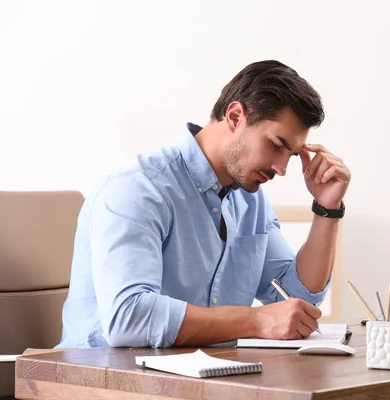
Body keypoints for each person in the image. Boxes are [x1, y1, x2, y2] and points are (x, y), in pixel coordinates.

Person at [56, 60, 351, 349]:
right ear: (235, 116)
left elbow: (293, 302)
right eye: (276, 145)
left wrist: (327, 208)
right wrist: (254, 321)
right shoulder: (138, 188)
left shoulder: (250, 201)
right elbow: (128, 319)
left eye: (291, 154)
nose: (282, 168)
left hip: (200, 380)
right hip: (101, 381)